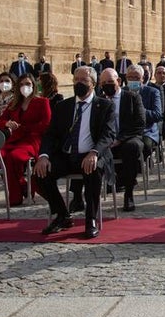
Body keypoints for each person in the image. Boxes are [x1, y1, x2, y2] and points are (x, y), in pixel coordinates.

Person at [34, 66, 116, 238]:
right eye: (76, 80)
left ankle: (90, 219)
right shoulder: (63, 106)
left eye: (83, 80)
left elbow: (108, 135)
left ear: (93, 84)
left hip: (91, 155)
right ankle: (62, 214)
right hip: (67, 155)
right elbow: (51, 134)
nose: (79, 83)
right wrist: (43, 156)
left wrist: (94, 152)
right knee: (40, 173)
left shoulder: (105, 106)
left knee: (92, 171)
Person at [0, 72, 51, 206]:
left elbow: (46, 124)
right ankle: (22, 187)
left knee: (14, 156)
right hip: (15, 139)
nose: (25, 86)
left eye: (28, 84)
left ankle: (17, 195)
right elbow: (0, 121)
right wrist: (7, 123)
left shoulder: (42, 102)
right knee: (0, 156)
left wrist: (23, 128)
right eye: (22, 84)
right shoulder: (14, 104)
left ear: (33, 85)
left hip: (32, 140)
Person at [96, 68, 146, 213]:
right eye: (103, 83)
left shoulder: (132, 97)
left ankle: (128, 193)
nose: (107, 85)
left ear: (118, 81)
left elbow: (140, 123)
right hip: (106, 141)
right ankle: (80, 197)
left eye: (110, 82)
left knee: (132, 148)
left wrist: (119, 139)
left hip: (128, 138)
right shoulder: (99, 101)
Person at [128, 64, 163, 209]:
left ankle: (134, 172)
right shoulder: (122, 93)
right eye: (130, 77)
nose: (133, 80)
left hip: (147, 130)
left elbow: (157, 114)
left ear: (142, 79)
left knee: (146, 146)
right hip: (128, 131)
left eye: (136, 77)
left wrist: (139, 109)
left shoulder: (152, 92)